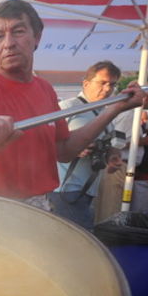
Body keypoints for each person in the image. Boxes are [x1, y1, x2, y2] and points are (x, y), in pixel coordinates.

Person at [0, 0, 146, 210]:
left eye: (18, 31)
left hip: (39, 204)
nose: (8, 43)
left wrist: (115, 108)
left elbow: (64, 150)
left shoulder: (45, 89)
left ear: (36, 37)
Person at [49, 61, 123, 229]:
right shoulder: (68, 107)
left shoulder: (105, 113)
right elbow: (45, 142)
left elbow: (108, 147)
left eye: (112, 84)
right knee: (79, 241)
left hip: (88, 189)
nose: (107, 89)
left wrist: (112, 158)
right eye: (102, 83)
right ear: (86, 83)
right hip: (64, 189)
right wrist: (73, 149)